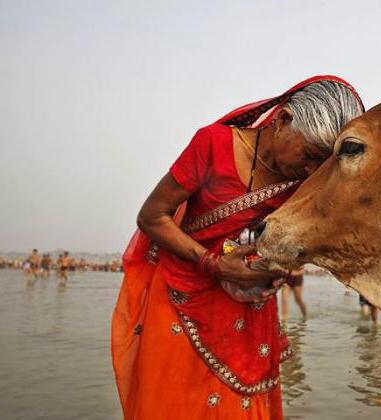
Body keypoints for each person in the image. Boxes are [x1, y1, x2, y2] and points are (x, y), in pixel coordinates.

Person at [112, 76, 363, 419]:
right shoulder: (213, 145)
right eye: (309, 155)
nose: (310, 170)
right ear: (283, 120)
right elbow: (153, 216)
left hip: (247, 306)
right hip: (180, 293)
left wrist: (276, 267)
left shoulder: (303, 182)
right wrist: (214, 265)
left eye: (320, 164)